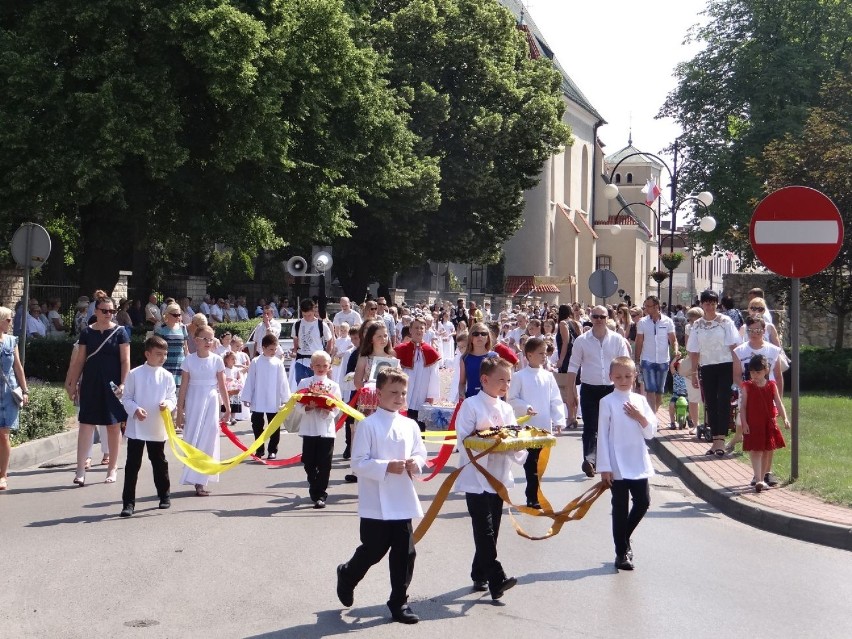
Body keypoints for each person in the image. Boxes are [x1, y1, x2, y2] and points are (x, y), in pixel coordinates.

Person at [336, 368, 427, 624]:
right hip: (376, 500)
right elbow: (358, 463)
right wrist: (385, 466)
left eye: (403, 393)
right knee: (373, 550)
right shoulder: (368, 425)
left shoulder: (410, 425)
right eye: (393, 392)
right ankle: (348, 574)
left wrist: (415, 463)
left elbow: (421, 453)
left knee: (405, 553)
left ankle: (399, 601)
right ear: (379, 394)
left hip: (402, 499)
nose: (399, 397)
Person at [454, 356, 523, 599]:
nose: (505, 385)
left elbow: (515, 439)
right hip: (476, 478)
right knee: (484, 529)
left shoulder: (507, 408)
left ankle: (479, 573)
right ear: (484, 380)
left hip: (499, 477)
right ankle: (497, 577)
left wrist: (517, 446)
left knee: (492, 529)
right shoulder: (471, 405)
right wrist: (490, 441)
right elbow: (464, 439)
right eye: (500, 380)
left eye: (509, 380)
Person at [596, 357, 657, 571]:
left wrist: (640, 417)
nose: (624, 380)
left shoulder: (640, 400)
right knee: (620, 508)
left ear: (635, 376)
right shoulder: (607, 402)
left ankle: (624, 537)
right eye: (619, 376)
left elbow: (650, 432)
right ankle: (621, 553)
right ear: (611, 377)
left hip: (637, 460)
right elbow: (602, 435)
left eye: (628, 376)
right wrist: (604, 466)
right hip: (616, 464)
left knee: (643, 502)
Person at [65, 296, 129, 486]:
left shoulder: (120, 332)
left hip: (112, 385)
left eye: (112, 311)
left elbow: (125, 361)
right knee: (86, 425)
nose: (108, 314)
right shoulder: (87, 333)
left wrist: (124, 384)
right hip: (91, 383)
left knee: (113, 426)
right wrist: (72, 384)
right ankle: (80, 470)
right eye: (104, 311)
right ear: (96, 311)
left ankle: (112, 468)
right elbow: (79, 361)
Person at [564, 305, 631, 477]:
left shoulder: (617, 340)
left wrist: (628, 390)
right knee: (590, 427)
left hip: (611, 389)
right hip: (589, 389)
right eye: (595, 317)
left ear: (608, 318)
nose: (599, 320)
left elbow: (625, 364)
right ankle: (590, 460)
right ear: (591, 318)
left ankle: (610, 462)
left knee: (611, 427)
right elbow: (573, 367)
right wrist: (570, 393)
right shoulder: (582, 341)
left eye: (602, 317)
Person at [119, 335, 177, 517]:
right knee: (132, 465)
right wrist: (135, 409)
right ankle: (128, 503)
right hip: (137, 427)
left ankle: (164, 494)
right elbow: (126, 398)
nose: (163, 358)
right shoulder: (135, 374)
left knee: (159, 461)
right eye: (159, 354)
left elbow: (171, 397)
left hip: (156, 426)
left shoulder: (167, 376)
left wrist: (167, 405)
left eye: (165, 354)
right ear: (147, 354)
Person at [507, 337, 566, 508]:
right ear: (529, 355)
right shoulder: (519, 376)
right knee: (531, 462)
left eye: (545, 353)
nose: (544, 356)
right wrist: (525, 407)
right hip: (527, 427)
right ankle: (532, 496)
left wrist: (558, 420)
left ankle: (534, 492)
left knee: (540, 462)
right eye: (540, 353)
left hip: (543, 426)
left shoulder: (548, 376)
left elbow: (555, 399)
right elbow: (512, 398)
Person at [176, 325, 230, 496]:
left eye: (211, 338)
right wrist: (179, 411)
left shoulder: (217, 360)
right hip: (194, 400)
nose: (208, 342)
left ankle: (202, 479)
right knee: (194, 436)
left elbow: (222, 386)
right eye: (204, 339)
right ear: (196, 340)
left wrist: (227, 408)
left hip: (211, 400)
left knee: (209, 435)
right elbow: (183, 386)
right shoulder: (189, 360)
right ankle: (193, 475)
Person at [687, 290, 740, 456]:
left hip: (725, 365)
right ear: (701, 304)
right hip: (707, 366)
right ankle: (714, 439)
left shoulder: (725, 321)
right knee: (710, 402)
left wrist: (737, 369)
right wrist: (694, 372)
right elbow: (694, 351)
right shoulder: (697, 325)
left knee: (723, 400)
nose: (709, 306)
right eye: (706, 303)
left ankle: (721, 440)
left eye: (712, 303)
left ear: (717, 304)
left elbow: (734, 346)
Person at [295, 351, 341, 508]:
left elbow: (338, 407)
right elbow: (297, 404)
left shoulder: (334, 386)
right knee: (308, 462)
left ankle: (320, 494)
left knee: (324, 463)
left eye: (324, 365)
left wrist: (329, 410)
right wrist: (308, 406)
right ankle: (314, 485)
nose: (321, 368)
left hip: (326, 430)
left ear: (329, 367)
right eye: (318, 365)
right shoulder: (304, 383)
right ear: (311, 366)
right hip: (309, 428)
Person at [740, 355, 789, 493]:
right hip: (753, 423)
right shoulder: (747, 386)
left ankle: (761, 478)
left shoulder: (771, 385)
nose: (755, 375)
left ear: (766, 370)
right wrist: (744, 423)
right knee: (756, 450)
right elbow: (743, 406)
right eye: (752, 372)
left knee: (767, 450)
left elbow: (778, 403)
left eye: (758, 372)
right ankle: (759, 479)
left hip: (768, 422)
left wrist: (785, 418)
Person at [241, 334, 291, 460]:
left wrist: (286, 399)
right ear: (263, 348)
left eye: (275, 349)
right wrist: (247, 396)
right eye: (271, 349)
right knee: (257, 424)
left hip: (273, 399)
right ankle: (259, 448)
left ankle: (272, 449)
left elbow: (283, 381)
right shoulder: (256, 362)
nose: (273, 352)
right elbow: (250, 380)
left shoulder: (278, 363)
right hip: (258, 397)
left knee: (274, 424)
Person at [0, 307, 29, 490]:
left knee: (3, 435)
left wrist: (25, 390)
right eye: (9, 320)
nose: (11, 323)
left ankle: (3, 474)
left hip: (8, 394)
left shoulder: (12, 341)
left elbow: (18, 367)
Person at [394, 317, 440, 432]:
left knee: (419, 426)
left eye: (421, 328)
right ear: (410, 330)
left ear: (425, 331)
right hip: (405, 392)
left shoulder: (431, 352)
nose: (419, 330)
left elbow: (434, 377)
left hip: (422, 394)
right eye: (416, 328)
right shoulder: (401, 349)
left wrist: (431, 396)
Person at [633, 296, 678, 415]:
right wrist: (637, 361)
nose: (646, 308)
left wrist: (676, 350)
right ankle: (652, 419)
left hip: (663, 361)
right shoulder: (642, 322)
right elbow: (639, 342)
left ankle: (652, 414)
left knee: (659, 392)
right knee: (650, 390)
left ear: (656, 307)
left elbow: (673, 339)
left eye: (648, 306)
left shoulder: (668, 321)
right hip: (647, 360)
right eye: (645, 306)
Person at [291, 299, 333, 385]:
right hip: (301, 359)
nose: (306, 317)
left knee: (317, 385)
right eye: (304, 315)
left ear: (313, 311)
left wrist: (326, 356)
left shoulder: (321, 325)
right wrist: (295, 351)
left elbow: (330, 340)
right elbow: (295, 339)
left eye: (309, 315)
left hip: (317, 360)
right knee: (301, 385)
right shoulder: (297, 324)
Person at [155, 302, 189, 401]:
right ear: (168, 315)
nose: (177, 317)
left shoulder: (183, 328)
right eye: (175, 315)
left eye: (179, 315)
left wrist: (188, 363)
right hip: (166, 364)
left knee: (179, 394)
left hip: (180, 365)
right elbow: (157, 349)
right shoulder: (161, 329)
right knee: (166, 393)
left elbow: (186, 348)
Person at [458, 322, 498, 399]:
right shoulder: (465, 358)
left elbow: (500, 380)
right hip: (471, 399)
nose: (480, 336)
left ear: (488, 338)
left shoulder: (494, 356)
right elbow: (462, 383)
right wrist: (461, 394)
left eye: (483, 333)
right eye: (476, 334)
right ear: (470, 338)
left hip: (491, 400)